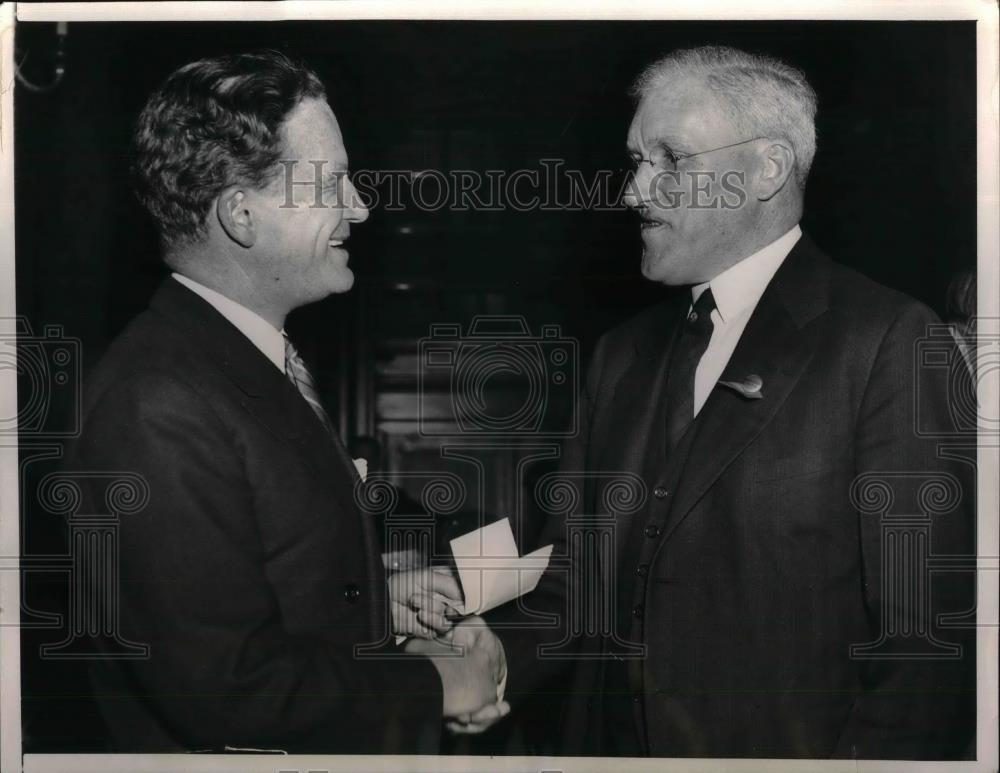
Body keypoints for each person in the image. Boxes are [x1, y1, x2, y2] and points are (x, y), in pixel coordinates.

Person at [492, 45, 975, 758]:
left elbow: (923, 650)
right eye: (636, 161)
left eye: (671, 160)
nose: (634, 192)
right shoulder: (620, 355)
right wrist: (489, 662)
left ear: (768, 169)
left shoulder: (887, 342)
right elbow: (575, 584)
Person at [64, 51, 506, 754]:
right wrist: (439, 685)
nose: (359, 205)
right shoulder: (156, 401)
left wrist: (376, 596)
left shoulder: (235, 360)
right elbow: (225, 687)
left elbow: (249, 580)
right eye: (331, 183)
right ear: (242, 214)